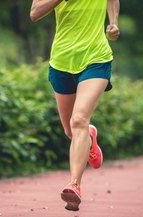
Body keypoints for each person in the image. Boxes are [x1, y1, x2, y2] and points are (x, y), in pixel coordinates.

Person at [30, 0, 120, 211]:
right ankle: (89, 138)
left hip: (96, 59)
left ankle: (74, 185)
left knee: (79, 119)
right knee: (71, 130)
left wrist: (113, 22)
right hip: (61, 62)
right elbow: (34, 13)